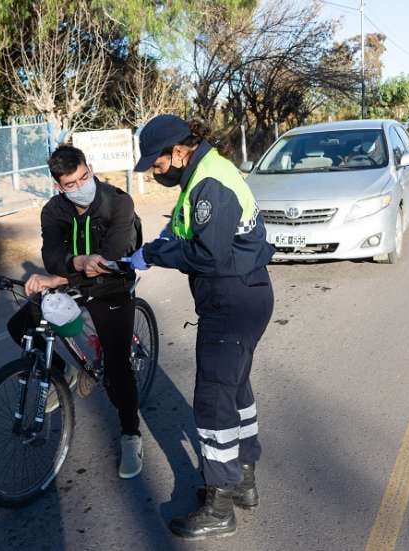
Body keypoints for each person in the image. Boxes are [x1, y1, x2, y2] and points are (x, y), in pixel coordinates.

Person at [130, 115, 275, 539]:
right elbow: (185, 231)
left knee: (212, 402)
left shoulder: (209, 181)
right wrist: (153, 248)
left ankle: (220, 502)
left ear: (178, 151)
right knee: (235, 391)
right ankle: (243, 480)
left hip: (231, 300)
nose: (156, 172)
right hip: (246, 294)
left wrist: (156, 257)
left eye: (157, 165)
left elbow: (208, 255)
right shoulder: (203, 174)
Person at [6, 145, 145, 479]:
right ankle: (61, 372)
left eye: (85, 176)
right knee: (22, 325)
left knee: (116, 364)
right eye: (72, 183)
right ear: (59, 186)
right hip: (73, 277)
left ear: (90, 167)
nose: (83, 185)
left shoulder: (118, 202)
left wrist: (61, 273)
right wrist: (67, 267)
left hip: (112, 283)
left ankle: (130, 433)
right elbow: (52, 254)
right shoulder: (53, 211)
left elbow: (109, 257)